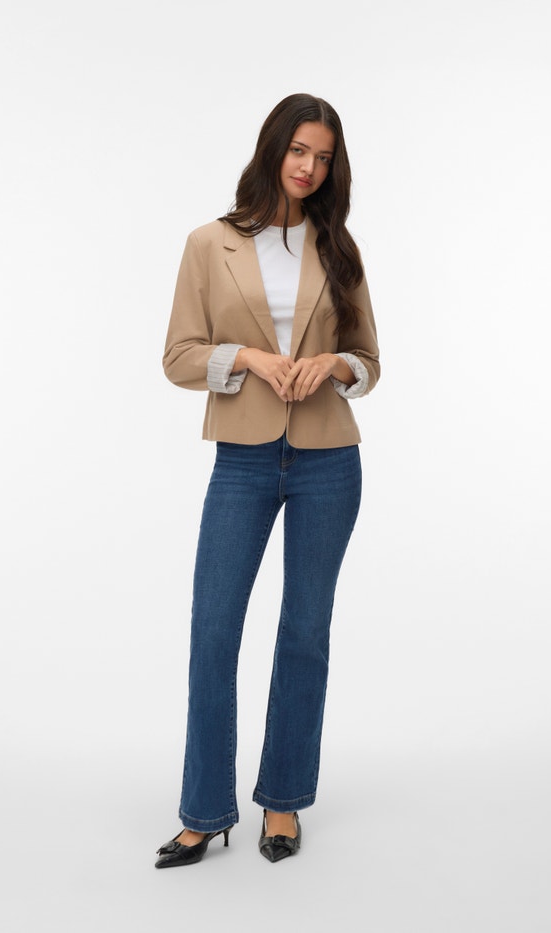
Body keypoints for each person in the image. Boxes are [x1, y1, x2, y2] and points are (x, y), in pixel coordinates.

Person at [155, 93, 380, 868]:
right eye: (299, 150)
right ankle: (204, 811)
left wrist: (333, 364)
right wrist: (248, 357)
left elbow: (369, 362)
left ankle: (282, 801)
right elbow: (179, 356)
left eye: (324, 157)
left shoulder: (339, 246)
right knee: (214, 629)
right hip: (244, 457)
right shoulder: (208, 243)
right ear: (273, 147)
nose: (309, 167)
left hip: (328, 460)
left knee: (305, 631)